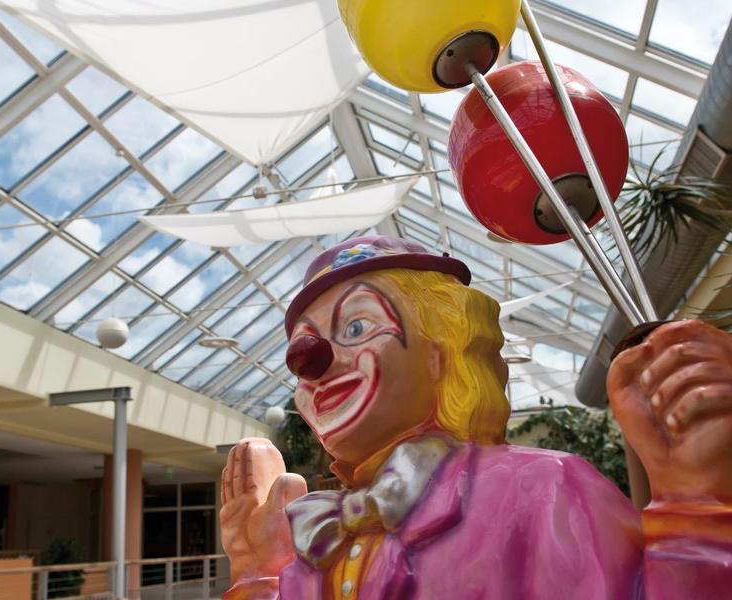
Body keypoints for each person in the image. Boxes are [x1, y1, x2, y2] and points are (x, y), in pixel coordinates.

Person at [220, 236, 732, 599]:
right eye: (303, 344)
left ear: (443, 349)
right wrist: (256, 574)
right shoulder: (316, 539)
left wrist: (697, 511)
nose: (310, 360)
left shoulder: (543, 491)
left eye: (357, 325)